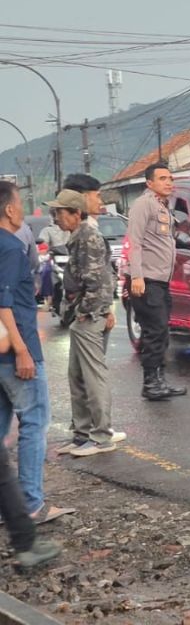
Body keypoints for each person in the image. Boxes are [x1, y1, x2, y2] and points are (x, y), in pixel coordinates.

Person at [0, 181, 74, 524]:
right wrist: (22, 350)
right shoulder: (12, 248)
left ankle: (10, 507)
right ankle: (30, 503)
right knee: (34, 422)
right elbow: (5, 303)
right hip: (16, 349)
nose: (24, 213)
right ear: (10, 210)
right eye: (21, 205)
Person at [52, 184, 125, 458]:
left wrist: (89, 311)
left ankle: (101, 436)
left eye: (59, 213)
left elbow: (99, 279)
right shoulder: (78, 237)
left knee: (93, 377)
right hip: (82, 314)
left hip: (89, 316)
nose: (56, 218)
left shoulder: (88, 238)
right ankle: (82, 434)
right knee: (77, 376)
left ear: (74, 213)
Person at [126, 163, 186, 401]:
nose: (168, 182)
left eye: (170, 178)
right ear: (149, 183)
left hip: (160, 281)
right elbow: (135, 242)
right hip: (147, 280)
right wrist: (137, 276)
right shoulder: (143, 204)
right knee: (154, 331)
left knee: (162, 332)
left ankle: (159, 380)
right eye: (162, 178)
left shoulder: (163, 206)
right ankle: (150, 383)